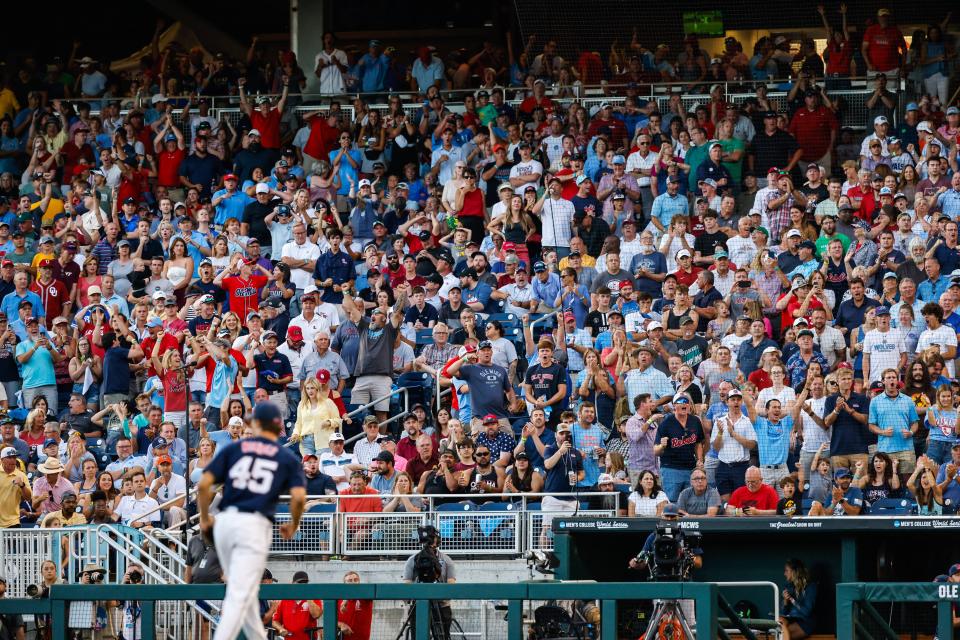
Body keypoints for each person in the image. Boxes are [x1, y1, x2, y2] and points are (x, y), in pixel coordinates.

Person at [197, 402, 307, 640]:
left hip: (225, 523)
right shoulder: (286, 457)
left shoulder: (234, 449)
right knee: (239, 592)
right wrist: (294, 524)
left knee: (245, 591)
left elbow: (204, 485)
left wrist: (205, 518)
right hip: (253, 526)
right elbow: (298, 498)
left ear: (254, 424)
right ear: (278, 427)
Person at [402, 525, 456, 639]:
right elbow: (406, 585)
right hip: (419, 605)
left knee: (442, 637)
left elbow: (452, 586)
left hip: (442, 606)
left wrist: (440, 595)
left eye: (433, 537)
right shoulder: (413, 560)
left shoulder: (447, 560)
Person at [271, 571, 321, 640]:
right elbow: (275, 621)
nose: (302, 585)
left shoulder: (313, 597)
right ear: (292, 583)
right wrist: (280, 629)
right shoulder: (285, 600)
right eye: (299, 583)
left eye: (305, 583)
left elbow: (316, 615)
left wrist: (308, 596)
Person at [779, 558, 817, 640]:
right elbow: (783, 613)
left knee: (781, 635)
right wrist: (785, 601)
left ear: (794, 572)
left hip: (805, 622)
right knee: (780, 620)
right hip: (792, 619)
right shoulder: (789, 587)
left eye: (786, 571)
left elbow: (806, 611)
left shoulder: (810, 587)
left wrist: (792, 600)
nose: (784, 573)